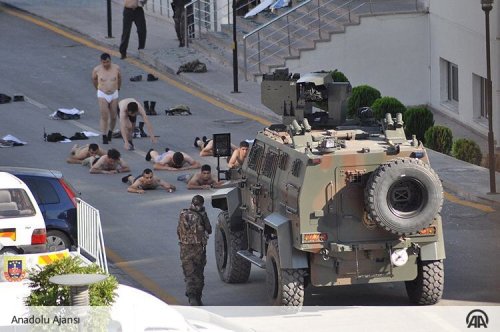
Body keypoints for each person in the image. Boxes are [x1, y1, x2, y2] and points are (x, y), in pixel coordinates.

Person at [177, 195, 212, 306]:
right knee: (198, 273)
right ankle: (197, 296)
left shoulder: (183, 214)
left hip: (185, 248)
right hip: (198, 249)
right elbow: (209, 229)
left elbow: (178, 231)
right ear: (201, 204)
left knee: (188, 273)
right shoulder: (202, 215)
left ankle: (191, 294)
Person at [92, 53, 121, 144]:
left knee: (113, 116)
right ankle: (104, 135)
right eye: (104, 62)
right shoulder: (97, 70)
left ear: (110, 60)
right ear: (101, 62)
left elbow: (119, 78)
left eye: (107, 62)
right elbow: (94, 79)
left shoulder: (116, 68)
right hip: (102, 93)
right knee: (104, 116)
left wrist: (118, 88)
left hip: (114, 93)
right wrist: (98, 88)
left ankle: (110, 131)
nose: (106, 64)